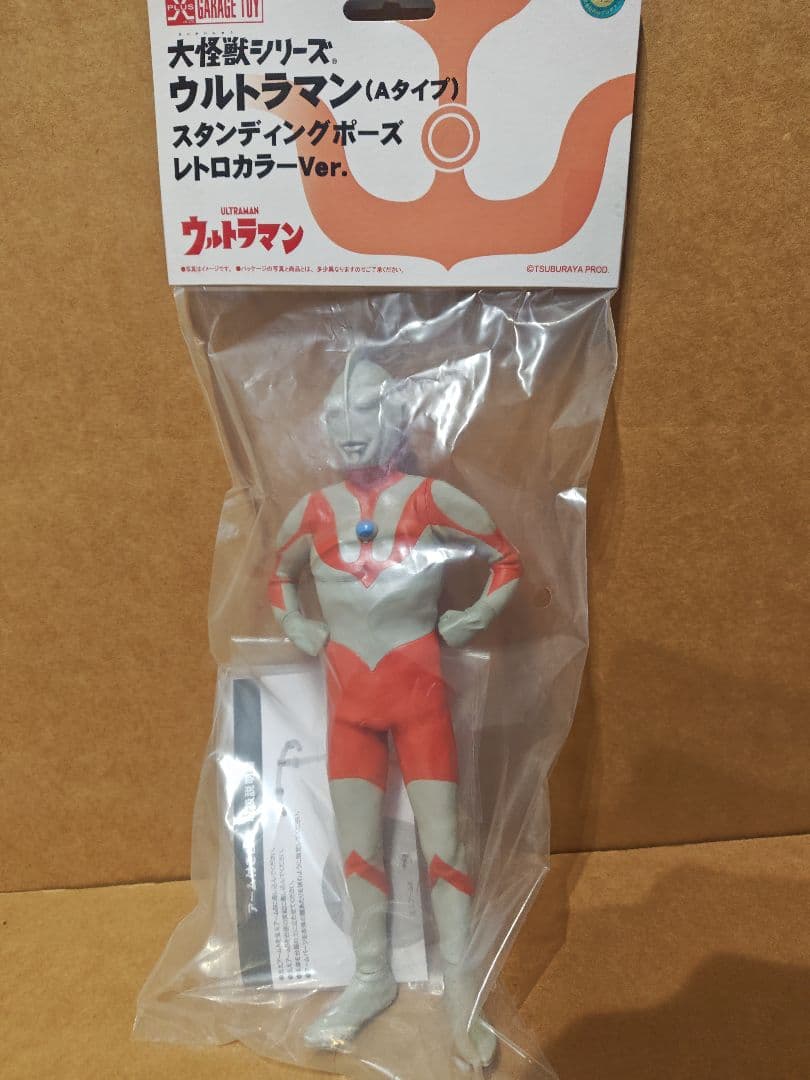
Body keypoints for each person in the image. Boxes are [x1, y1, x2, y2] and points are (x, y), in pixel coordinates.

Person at [269, 353, 521, 1066]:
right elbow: (277, 575)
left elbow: (506, 558)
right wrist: (296, 625)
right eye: (337, 414)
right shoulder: (314, 510)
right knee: (358, 847)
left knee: (446, 847)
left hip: (419, 699)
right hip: (350, 703)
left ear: (398, 418)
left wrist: (474, 617)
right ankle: (371, 976)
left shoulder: (432, 499)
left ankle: (461, 988)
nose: (351, 428)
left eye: (367, 409)